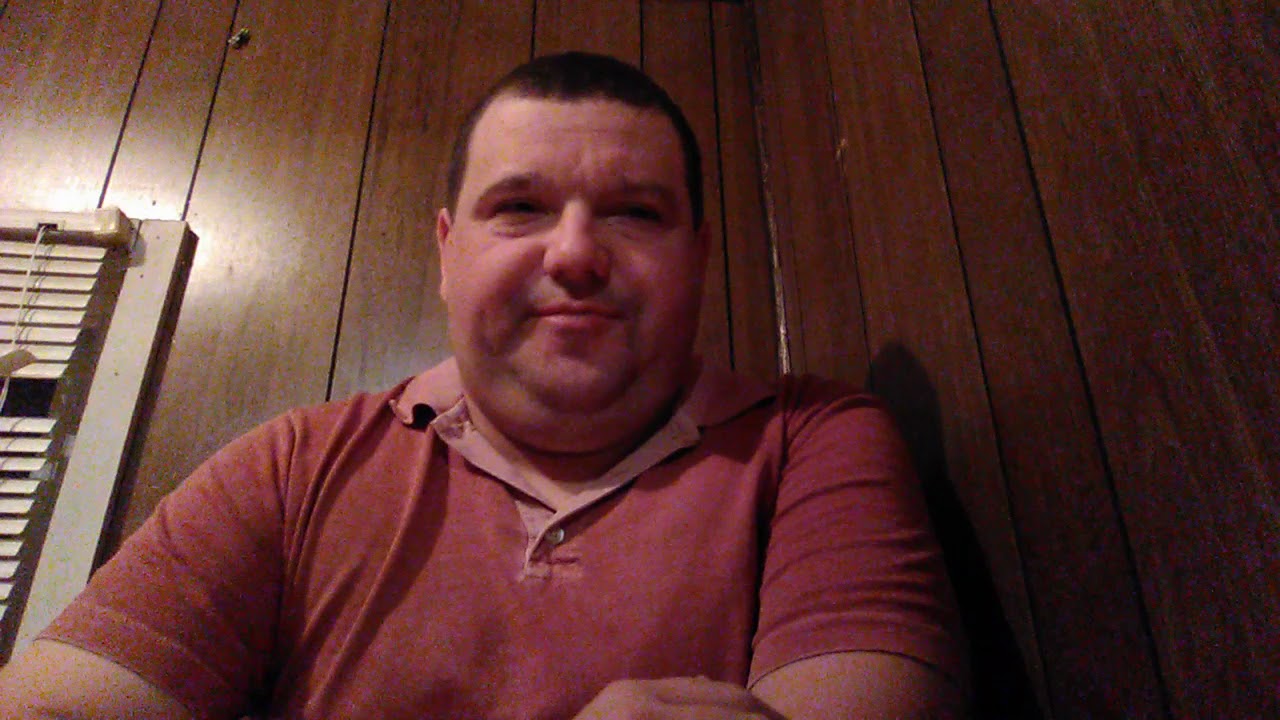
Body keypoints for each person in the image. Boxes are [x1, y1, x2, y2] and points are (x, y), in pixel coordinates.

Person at [0, 52, 965, 719]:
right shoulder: (295, 466)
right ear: (447, 249)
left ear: (698, 257)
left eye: (635, 212)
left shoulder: (815, 442)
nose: (576, 253)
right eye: (520, 207)